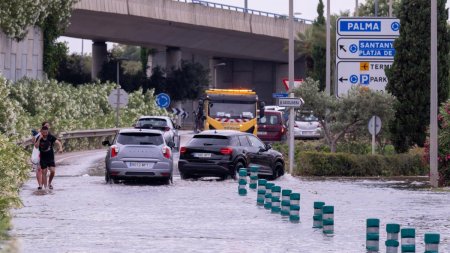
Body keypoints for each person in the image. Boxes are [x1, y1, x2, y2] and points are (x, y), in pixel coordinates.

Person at [34, 125, 63, 190]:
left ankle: (49, 183)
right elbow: (36, 146)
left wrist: (60, 148)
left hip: (50, 157)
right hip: (43, 158)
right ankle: (46, 187)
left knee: (52, 171)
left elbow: (58, 142)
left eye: (46, 133)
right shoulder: (39, 137)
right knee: (44, 172)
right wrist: (39, 139)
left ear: (47, 132)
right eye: (43, 133)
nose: (45, 134)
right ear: (41, 132)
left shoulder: (50, 137)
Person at [32, 121, 50, 190]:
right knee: (39, 169)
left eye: (48, 126)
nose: (47, 127)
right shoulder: (38, 134)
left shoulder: (49, 135)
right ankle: (40, 185)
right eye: (46, 125)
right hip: (38, 152)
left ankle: (42, 184)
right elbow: (33, 142)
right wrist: (36, 136)